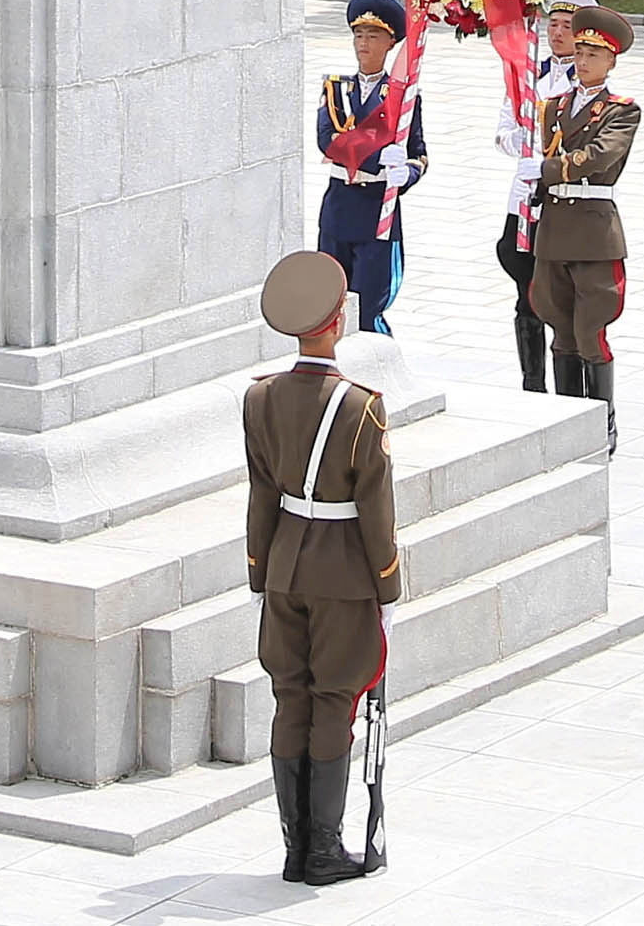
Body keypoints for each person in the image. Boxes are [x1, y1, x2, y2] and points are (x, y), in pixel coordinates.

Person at [243, 249, 396, 889]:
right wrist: (386, 584)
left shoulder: (260, 399)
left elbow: (259, 495)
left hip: (283, 568)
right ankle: (325, 851)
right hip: (342, 576)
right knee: (334, 698)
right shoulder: (361, 406)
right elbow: (375, 510)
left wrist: (260, 576)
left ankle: (293, 847)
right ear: (337, 319)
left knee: (290, 698)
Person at [526, 4, 639, 435]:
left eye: (595, 54)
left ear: (611, 61)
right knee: (561, 328)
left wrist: (548, 170)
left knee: (591, 329)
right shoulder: (554, 107)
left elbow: (600, 156)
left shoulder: (621, 110)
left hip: (593, 229)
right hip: (555, 227)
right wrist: (535, 187)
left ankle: (602, 423)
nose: (585, 60)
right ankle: (567, 420)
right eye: (581, 52)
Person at [311, 0, 427, 335]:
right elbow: (327, 140)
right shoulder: (336, 90)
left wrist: (405, 171)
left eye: (373, 35)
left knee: (370, 305)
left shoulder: (403, 96)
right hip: (340, 205)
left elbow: (419, 153)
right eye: (358, 35)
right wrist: (377, 157)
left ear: (391, 43)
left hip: (377, 210)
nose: (363, 43)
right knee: (331, 301)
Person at [491, 0, 587, 391]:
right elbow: (503, 132)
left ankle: (572, 386)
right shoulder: (528, 72)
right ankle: (532, 382)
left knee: (564, 298)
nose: (558, 33)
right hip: (524, 197)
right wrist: (523, 145)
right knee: (524, 289)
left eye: (568, 26)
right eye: (554, 24)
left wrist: (546, 152)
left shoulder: (585, 80)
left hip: (561, 198)